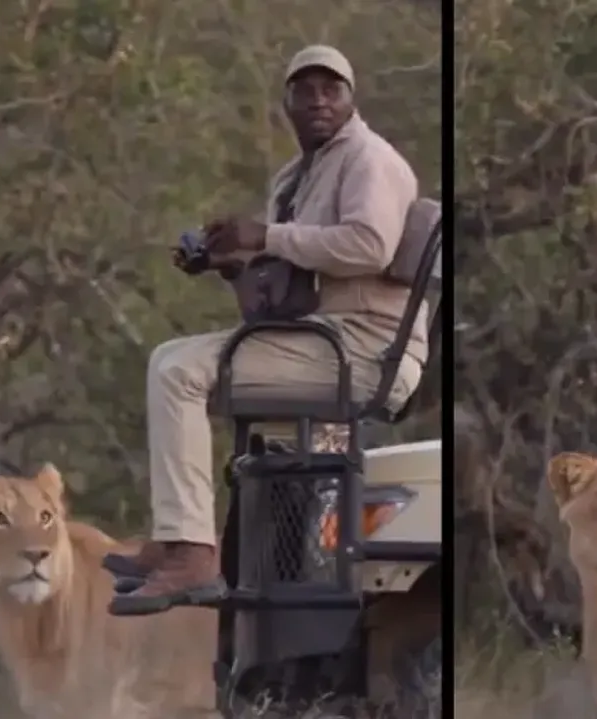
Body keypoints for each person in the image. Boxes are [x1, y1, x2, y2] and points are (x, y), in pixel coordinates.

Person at [104, 45, 425, 617]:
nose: (318, 101)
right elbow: (281, 292)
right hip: (321, 340)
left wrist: (266, 236)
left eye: (331, 89)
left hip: (364, 348)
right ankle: (191, 546)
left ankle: (192, 554)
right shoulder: (294, 177)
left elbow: (368, 245)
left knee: (178, 370)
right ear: (287, 104)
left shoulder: (369, 159)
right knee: (173, 362)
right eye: (305, 91)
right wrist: (229, 262)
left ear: (351, 99)